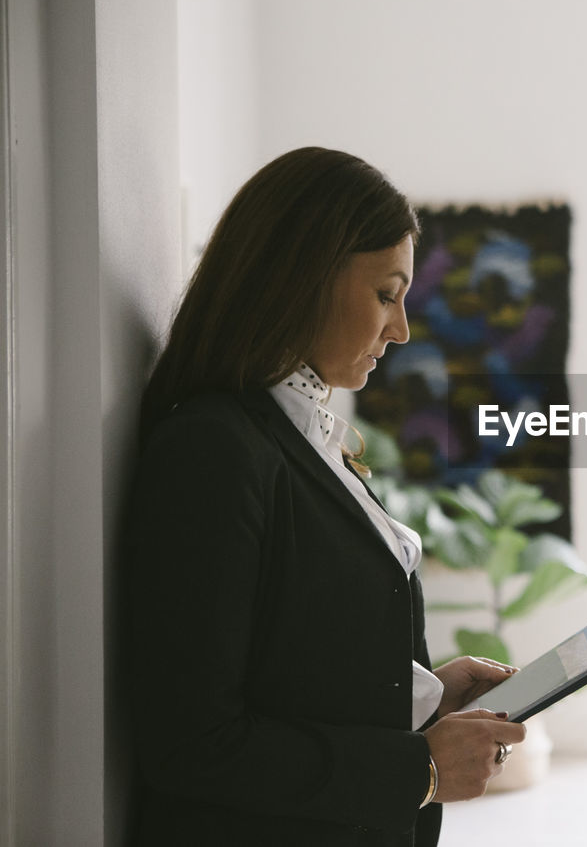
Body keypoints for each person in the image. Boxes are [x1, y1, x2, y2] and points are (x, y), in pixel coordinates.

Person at [124, 147, 526, 846]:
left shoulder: (302, 436)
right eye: (385, 293)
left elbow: (296, 664)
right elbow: (193, 741)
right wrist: (419, 770)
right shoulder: (213, 450)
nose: (399, 329)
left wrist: (426, 691)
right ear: (302, 275)